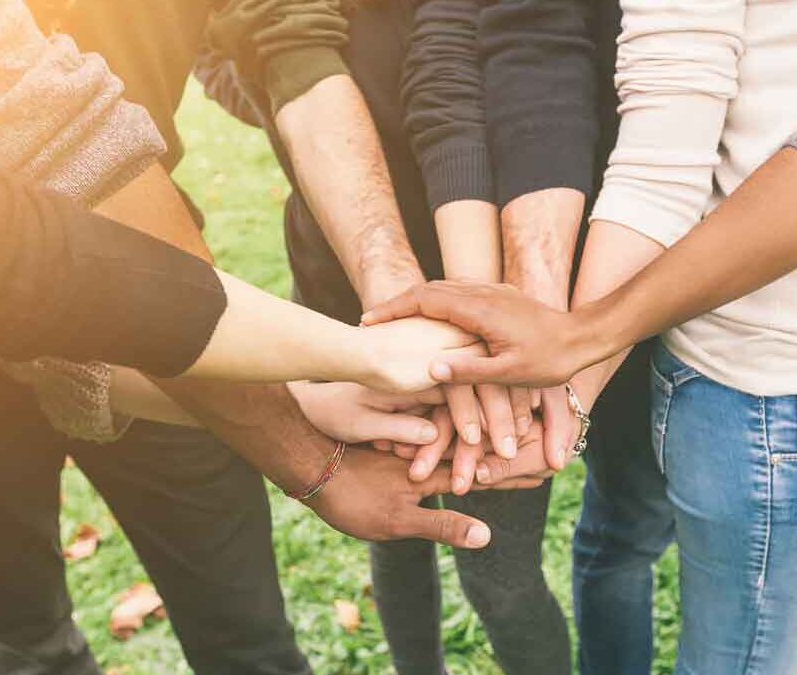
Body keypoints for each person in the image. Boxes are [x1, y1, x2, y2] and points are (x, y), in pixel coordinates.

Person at [365, 1, 797, 673]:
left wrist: (574, 351)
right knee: (639, 564)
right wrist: (570, 370)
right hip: (784, 386)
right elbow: (658, 149)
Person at [0, 3, 503, 674]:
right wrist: (324, 391)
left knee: (247, 643)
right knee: (27, 646)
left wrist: (386, 299)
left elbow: (288, 36)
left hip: (161, 297)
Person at [197, 0, 607, 671]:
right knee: (393, 534)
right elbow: (218, 49)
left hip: (476, 293)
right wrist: (278, 102)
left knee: (498, 572)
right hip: (340, 297)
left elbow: (501, 60)